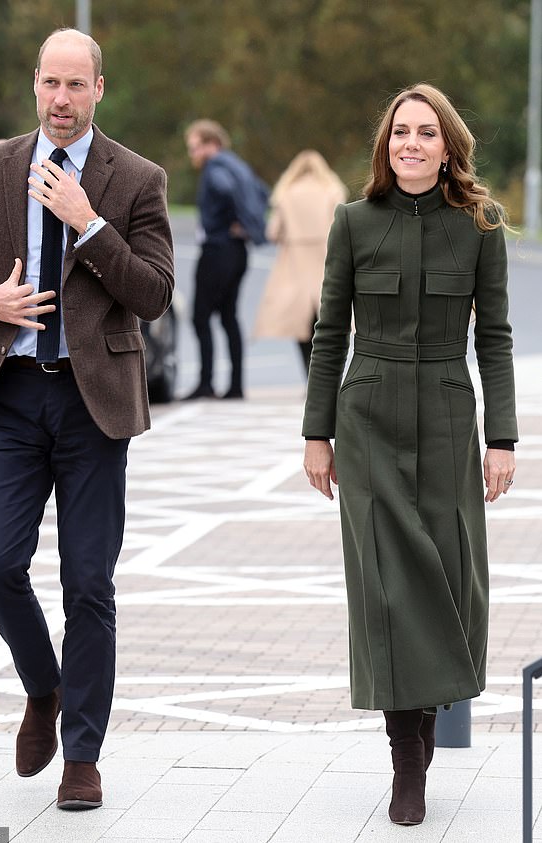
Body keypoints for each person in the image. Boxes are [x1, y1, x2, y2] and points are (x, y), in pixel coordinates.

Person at [0, 28, 174, 810]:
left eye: (76, 86)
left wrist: (89, 222)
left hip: (92, 402)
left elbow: (155, 292)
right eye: (50, 84)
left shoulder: (135, 178)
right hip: (9, 393)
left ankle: (83, 757)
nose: (61, 100)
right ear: (35, 85)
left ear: (100, 89)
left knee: (88, 583)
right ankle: (45, 686)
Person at [302, 83, 517, 825]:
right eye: (401, 134)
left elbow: (494, 336)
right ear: (385, 147)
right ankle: (405, 762)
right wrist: (315, 434)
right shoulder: (353, 222)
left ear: (448, 145)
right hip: (367, 418)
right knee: (389, 588)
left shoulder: (480, 225)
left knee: (448, 579)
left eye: (427, 133)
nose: (413, 144)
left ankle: (423, 728)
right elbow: (330, 332)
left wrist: (503, 439)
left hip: (450, 415)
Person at [184, 119, 266, 400]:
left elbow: (226, 190)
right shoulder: (238, 165)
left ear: (211, 144)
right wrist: (248, 226)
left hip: (218, 250)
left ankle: (206, 383)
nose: (192, 154)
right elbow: (263, 192)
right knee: (229, 316)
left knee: (200, 316)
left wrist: (235, 219)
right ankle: (235, 385)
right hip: (238, 251)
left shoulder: (216, 168)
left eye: (195, 147)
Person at [254, 150, 348, 373]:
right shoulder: (332, 190)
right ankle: (330, 373)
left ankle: (310, 373)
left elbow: (273, 232)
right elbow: (343, 226)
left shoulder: (286, 193)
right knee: (329, 319)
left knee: (301, 325)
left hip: (295, 262)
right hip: (327, 258)